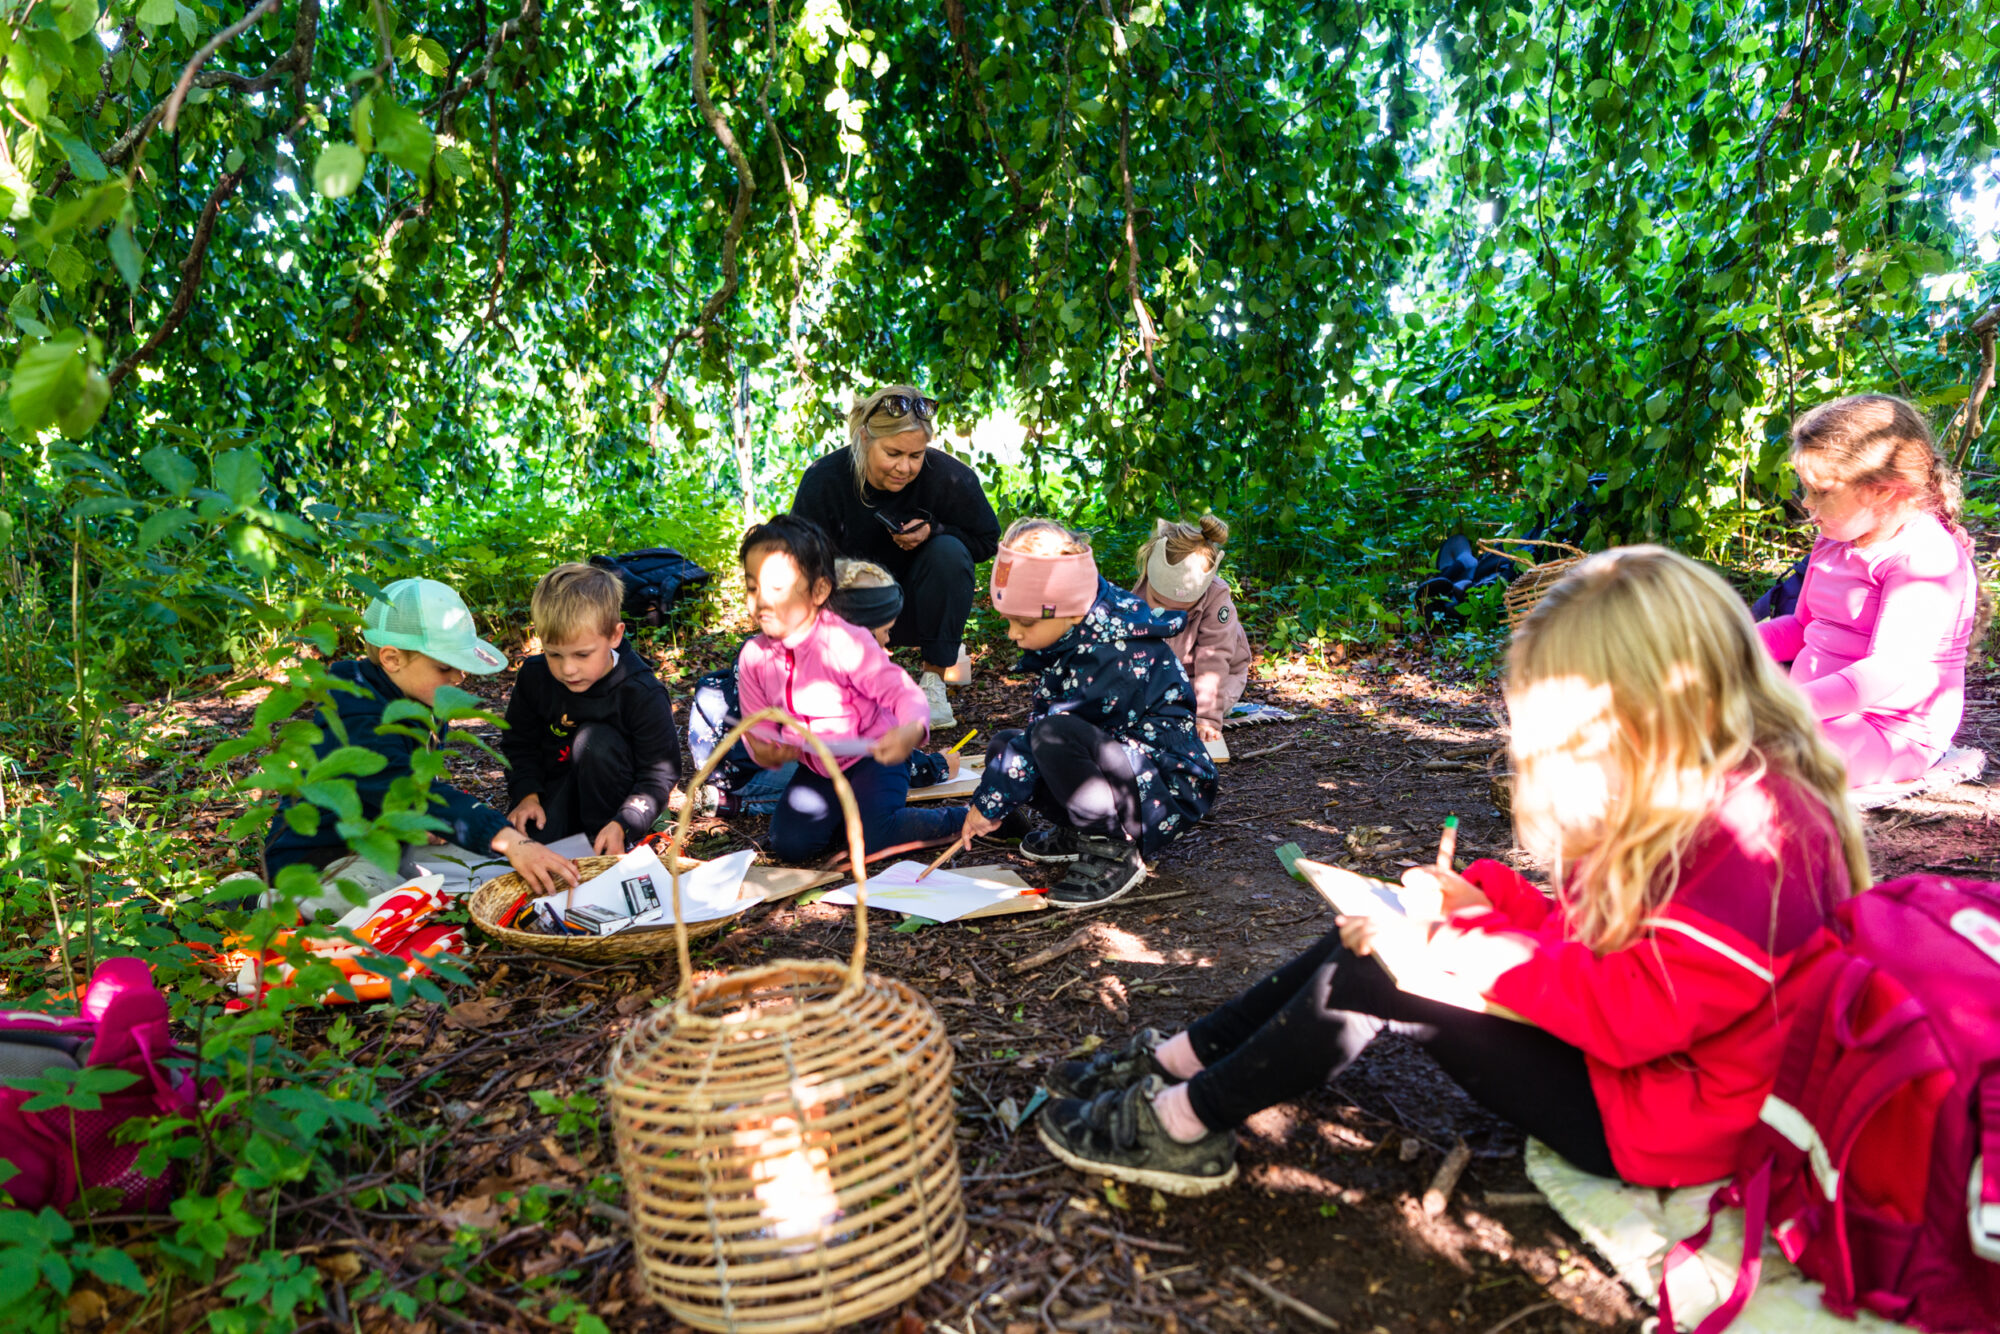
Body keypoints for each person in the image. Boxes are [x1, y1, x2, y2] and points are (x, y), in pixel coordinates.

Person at [1033, 547, 1866, 1196]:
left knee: (1386, 969)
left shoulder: (1755, 839)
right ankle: (1179, 1060)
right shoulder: (1709, 782)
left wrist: (1450, 942)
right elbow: (1615, 949)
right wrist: (1489, 902)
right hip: (1643, 1074)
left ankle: (1178, 1124)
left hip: (1662, 1119)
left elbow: (1629, 1012)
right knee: (1387, 930)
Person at [263, 578, 580, 919]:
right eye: (444, 667)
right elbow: (405, 787)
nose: (458, 677)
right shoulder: (355, 715)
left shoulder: (419, 698)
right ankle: (267, 902)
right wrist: (507, 839)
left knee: (485, 868)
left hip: (383, 841)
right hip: (319, 858)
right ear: (392, 658)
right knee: (381, 896)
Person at [955, 519, 1218, 908]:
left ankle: (1112, 847)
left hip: (1165, 788)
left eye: (1024, 622)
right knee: (1007, 744)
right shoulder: (1085, 628)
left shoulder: (1109, 652)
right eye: (1008, 620)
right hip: (1129, 766)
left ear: (1068, 611)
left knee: (1047, 739)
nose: (1013, 633)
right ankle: (1081, 830)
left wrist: (989, 803)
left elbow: (1051, 735)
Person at [1756, 394, 1982, 788]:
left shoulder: (1923, 557)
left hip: (1890, 729)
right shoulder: (1835, 536)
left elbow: (1884, 672)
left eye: (1821, 491)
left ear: (1882, 490)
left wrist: (1783, 710)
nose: (1807, 503)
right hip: (1812, 711)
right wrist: (1722, 647)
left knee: (1760, 765)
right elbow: (1801, 627)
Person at [734, 515, 968, 861]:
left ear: (819, 591)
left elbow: (902, 692)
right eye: (753, 588)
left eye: (776, 589)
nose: (761, 601)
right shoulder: (754, 657)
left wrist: (909, 729)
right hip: (818, 767)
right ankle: (853, 819)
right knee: (790, 845)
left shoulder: (845, 642)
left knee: (877, 838)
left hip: (874, 757)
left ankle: (968, 818)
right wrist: (766, 751)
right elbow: (758, 730)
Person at [789, 386, 1001, 728]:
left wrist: (936, 531)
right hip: (849, 612)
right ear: (864, 437)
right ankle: (843, 680)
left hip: (919, 606)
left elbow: (987, 539)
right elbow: (800, 562)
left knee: (949, 551)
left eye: (916, 455)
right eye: (893, 453)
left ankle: (933, 684)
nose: (904, 467)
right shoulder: (825, 479)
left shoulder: (948, 476)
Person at [687, 560, 964, 816]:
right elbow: (856, 749)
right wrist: (935, 767)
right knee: (838, 783)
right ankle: (740, 803)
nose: (888, 642)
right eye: (884, 633)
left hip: (722, 756)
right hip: (751, 770)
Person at [501, 563, 682, 855]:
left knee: (593, 741)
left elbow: (658, 774)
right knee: (531, 853)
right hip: (555, 793)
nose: (568, 669)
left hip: (616, 804)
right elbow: (519, 744)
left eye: (582, 654)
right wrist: (527, 795)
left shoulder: (641, 692)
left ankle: (608, 843)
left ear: (614, 635)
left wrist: (625, 822)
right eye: (554, 654)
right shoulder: (534, 677)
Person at [1132, 515, 1251, 742]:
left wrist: (1207, 718)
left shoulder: (1217, 599)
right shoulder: (1142, 588)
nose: (1168, 616)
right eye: (1158, 601)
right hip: (1165, 675)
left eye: (1181, 611)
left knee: (1186, 712)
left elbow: (1213, 660)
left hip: (1212, 677)